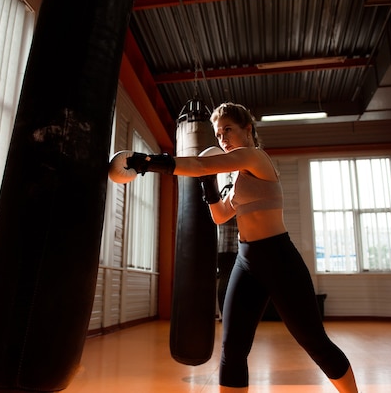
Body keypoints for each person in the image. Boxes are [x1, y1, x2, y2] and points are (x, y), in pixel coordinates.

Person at [125, 102, 359, 392]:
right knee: (233, 348)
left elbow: (199, 164)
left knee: (314, 341)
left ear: (247, 129)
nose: (222, 139)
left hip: (278, 258)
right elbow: (220, 215)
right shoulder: (236, 179)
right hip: (246, 262)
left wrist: (149, 162)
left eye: (228, 130)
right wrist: (208, 185)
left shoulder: (255, 158)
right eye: (218, 134)